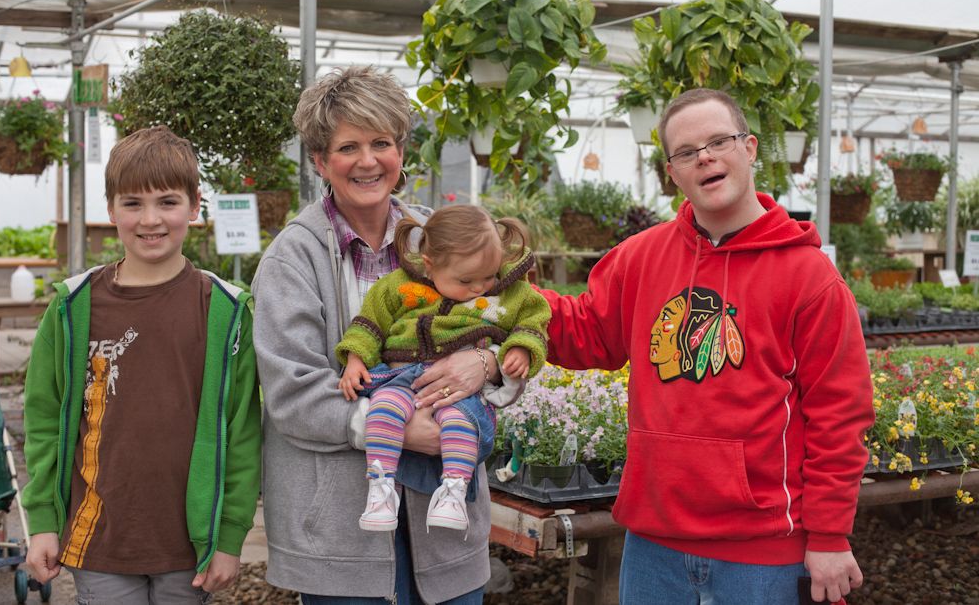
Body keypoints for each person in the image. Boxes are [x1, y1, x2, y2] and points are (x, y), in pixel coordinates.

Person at [539, 88, 874, 605]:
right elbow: (588, 333)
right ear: (672, 172)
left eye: (719, 141)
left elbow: (840, 412)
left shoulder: (809, 277)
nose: (705, 157)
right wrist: (504, 298)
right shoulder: (640, 258)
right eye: (686, 152)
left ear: (751, 147)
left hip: (762, 550)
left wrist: (829, 536)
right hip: (653, 544)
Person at [252, 66, 522, 603]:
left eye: (382, 142)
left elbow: (509, 328)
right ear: (320, 161)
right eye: (348, 146)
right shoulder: (293, 258)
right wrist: (400, 429)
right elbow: (293, 392)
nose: (368, 160)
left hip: (443, 529)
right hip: (338, 530)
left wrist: (488, 366)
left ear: (401, 152)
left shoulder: (442, 238)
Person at [22, 125, 262, 603]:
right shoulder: (73, 307)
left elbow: (242, 433)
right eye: (132, 203)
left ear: (195, 207)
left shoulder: (226, 311)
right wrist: (44, 522)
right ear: (111, 209)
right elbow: (44, 419)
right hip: (100, 534)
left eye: (167, 202)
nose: (150, 219)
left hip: (189, 545)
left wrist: (230, 536)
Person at [336, 204, 550, 533]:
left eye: (489, 276)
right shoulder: (400, 287)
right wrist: (354, 358)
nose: (481, 288)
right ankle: (381, 488)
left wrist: (520, 347)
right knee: (382, 408)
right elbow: (369, 324)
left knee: (458, 422)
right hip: (401, 377)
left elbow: (533, 321)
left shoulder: (509, 294)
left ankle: (453, 490)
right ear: (430, 265)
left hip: (461, 395)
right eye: (466, 280)